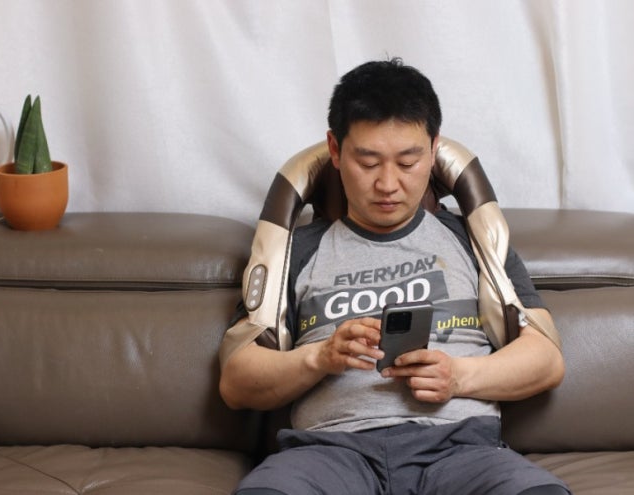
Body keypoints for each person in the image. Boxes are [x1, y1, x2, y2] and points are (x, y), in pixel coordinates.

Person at [219, 58, 569, 495]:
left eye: (407, 162)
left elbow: (546, 358)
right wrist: (319, 358)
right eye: (368, 162)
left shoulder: (473, 239)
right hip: (329, 454)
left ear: (433, 149)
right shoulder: (295, 252)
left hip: (461, 451)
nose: (388, 184)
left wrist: (459, 376)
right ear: (335, 150)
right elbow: (236, 382)